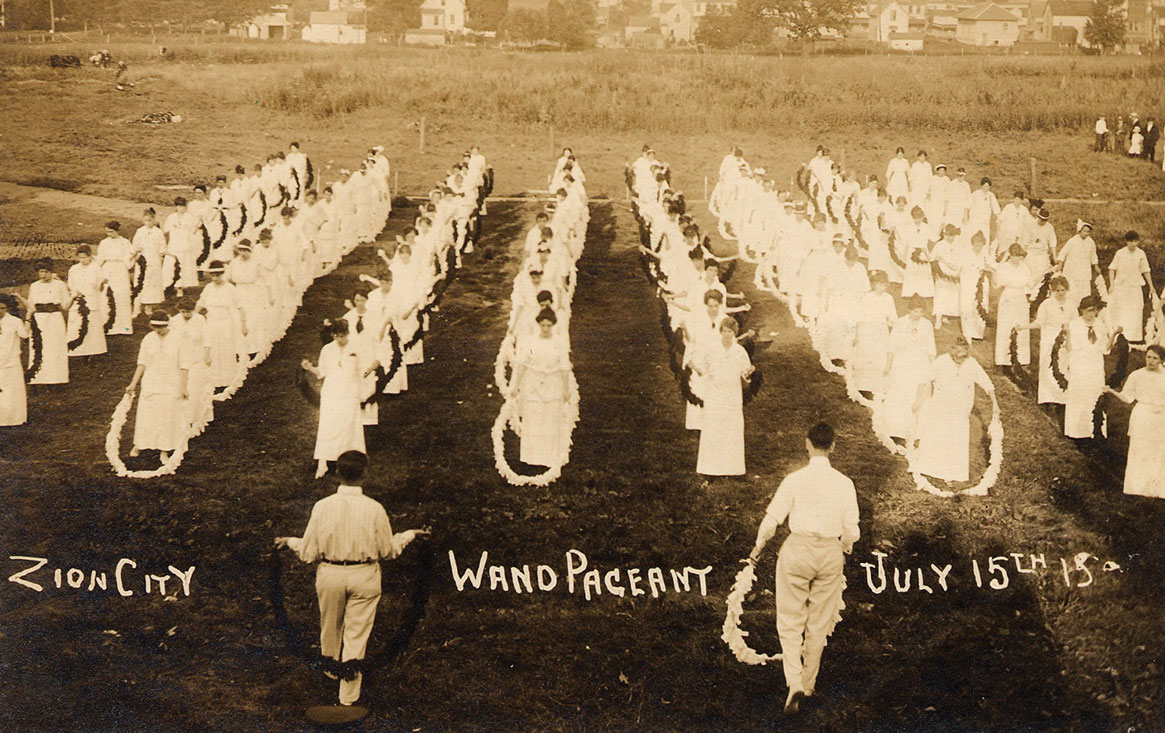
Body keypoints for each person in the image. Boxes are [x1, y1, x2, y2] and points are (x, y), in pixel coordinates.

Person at [274, 451, 430, 706]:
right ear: (365, 473)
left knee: (330, 627)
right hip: (364, 575)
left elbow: (309, 552)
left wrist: (290, 541)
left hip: (330, 574)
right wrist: (409, 535)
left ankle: (330, 673)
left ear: (337, 473)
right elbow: (388, 551)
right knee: (357, 633)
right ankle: (347, 696)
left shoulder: (322, 507)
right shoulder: (374, 509)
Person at [748, 422, 859, 715]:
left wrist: (756, 551)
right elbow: (851, 531)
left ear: (807, 445)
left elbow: (772, 520)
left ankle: (793, 679)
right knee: (820, 622)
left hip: (797, 550)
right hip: (829, 553)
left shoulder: (794, 480)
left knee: (790, 618)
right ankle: (808, 684)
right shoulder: (844, 483)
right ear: (833, 446)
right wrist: (843, 549)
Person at [912, 337, 994, 483]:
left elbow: (986, 382)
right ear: (952, 352)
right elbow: (925, 379)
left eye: (963, 355)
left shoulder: (971, 364)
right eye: (957, 355)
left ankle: (952, 473)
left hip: (961, 410)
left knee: (956, 439)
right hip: (941, 407)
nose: (960, 359)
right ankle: (929, 468)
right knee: (937, 435)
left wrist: (996, 404)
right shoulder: (942, 361)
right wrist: (918, 401)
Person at [302, 320, 371, 479]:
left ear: (348, 333)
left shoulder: (356, 347)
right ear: (333, 335)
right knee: (329, 425)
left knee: (349, 424)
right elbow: (322, 371)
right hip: (332, 392)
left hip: (350, 391)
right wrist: (309, 368)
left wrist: (370, 371)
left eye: (344, 336)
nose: (341, 339)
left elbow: (362, 370)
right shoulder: (327, 349)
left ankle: (353, 459)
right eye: (338, 336)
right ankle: (323, 463)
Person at [692, 317, 754, 477]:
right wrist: (695, 367)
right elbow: (703, 369)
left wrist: (748, 373)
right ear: (720, 331)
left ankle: (732, 469)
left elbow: (745, 375)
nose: (727, 335)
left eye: (730, 332)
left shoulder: (739, 351)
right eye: (724, 331)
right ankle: (710, 469)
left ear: (735, 333)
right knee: (713, 429)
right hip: (715, 394)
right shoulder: (712, 349)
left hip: (732, 395)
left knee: (731, 431)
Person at [510, 308, 571, 468]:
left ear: (553, 326)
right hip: (533, 384)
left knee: (550, 419)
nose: (545, 328)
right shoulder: (531, 341)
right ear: (538, 325)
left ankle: (549, 457)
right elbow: (523, 363)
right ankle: (531, 457)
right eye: (542, 325)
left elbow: (564, 366)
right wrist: (516, 385)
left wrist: (565, 388)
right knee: (534, 419)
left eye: (548, 325)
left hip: (552, 383)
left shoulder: (559, 342)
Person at [124, 312, 188, 464]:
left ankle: (164, 450)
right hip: (151, 382)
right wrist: (133, 383)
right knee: (147, 414)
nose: (159, 330)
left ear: (168, 324)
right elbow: (142, 362)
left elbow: (184, 365)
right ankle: (140, 444)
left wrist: (184, 386)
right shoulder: (148, 339)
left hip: (171, 382)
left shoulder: (179, 338)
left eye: (162, 327)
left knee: (167, 415)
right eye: (155, 327)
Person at [1106, 344, 1165, 498]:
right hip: (1143, 416)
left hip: (1160, 419)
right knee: (1140, 450)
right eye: (1149, 357)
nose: (1151, 361)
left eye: (1155, 358)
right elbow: (1127, 397)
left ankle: (1157, 488)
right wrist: (1112, 391)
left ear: (1162, 361)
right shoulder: (1137, 375)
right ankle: (1137, 487)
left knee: (1158, 452)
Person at [1063, 295, 1118, 441]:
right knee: (1079, 395)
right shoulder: (1075, 325)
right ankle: (1077, 431)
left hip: (1095, 364)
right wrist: (1067, 334)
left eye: (1093, 311)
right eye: (1087, 311)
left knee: (1095, 394)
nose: (1091, 314)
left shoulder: (1099, 324)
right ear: (1081, 310)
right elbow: (1069, 348)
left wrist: (1114, 334)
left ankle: (1095, 429)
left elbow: (1106, 349)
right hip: (1080, 363)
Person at [882, 296, 936, 442]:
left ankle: (916, 433)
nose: (919, 315)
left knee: (917, 396)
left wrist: (933, 370)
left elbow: (931, 349)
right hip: (902, 365)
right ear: (910, 310)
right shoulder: (899, 323)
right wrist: (888, 364)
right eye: (916, 311)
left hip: (920, 365)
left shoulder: (927, 325)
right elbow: (891, 346)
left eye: (921, 312)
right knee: (900, 396)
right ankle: (897, 431)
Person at [1025, 276, 1073, 407]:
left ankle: (1062, 397)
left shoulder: (1071, 304)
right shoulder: (1046, 304)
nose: (1061, 293)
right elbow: (1039, 322)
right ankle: (1047, 398)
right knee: (1048, 367)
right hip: (1049, 338)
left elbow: (1076, 322)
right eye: (1057, 290)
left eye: (1063, 290)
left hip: (1065, 340)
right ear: (1053, 290)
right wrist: (1025, 326)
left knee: (1063, 365)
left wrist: (1069, 330)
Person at [27, 258, 71, 385]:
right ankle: (38, 376)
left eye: (46, 272)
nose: (44, 275)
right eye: (41, 272)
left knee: (56, 348)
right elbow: (31, 306)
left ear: (52, 272)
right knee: (40, 347)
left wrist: (72, 297)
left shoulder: (59, 285)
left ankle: (57, 378)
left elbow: (64, 306)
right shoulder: (34, 286)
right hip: (40, 319)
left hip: (55, 318)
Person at [1107, 231, 1157, 342]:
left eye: (1136, 241)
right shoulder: (1120, 253)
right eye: (1131, 241)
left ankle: (1132, 337)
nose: (1134, 244)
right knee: (1119, 311)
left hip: (1134, 288)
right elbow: (1112, 269)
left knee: (1135, 311)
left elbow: (1146, 270)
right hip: (1121, 288)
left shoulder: (1141, 254)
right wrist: (1111, 284)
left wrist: (1151, 286)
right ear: (1127, 242)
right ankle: (1117, 337)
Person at [66, 245, 108, 357]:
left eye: (84, 257)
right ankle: (75, 347)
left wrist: (101, 284)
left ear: (90, 257)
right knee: (76, 322)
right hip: (78, 298)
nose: (82, 260)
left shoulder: (96, 268)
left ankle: (93, 349)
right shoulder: (74, 269)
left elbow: (100, 285)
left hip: (92, 299)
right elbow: (71, 284)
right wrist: (75, 293)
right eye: (80, 258)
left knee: (92, 324)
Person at [994, 244, 1031, 367]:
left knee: (1021, 325)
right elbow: (997, 284)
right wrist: (992, 271)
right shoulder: (1003, 267)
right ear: (1010, 255)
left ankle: (1022, 357)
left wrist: (1044, 273)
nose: (1016, 259)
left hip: (1020, 298)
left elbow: (1029, 283)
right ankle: (1003, 358)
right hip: (1008, 297)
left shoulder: (1025, 267)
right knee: (1006, 325)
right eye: (1013, 256)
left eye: (1018, 256)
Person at [96, 221, 134, 335]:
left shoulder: (125, 242)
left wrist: (134, 255)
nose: (109, 234)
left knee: (121, 295)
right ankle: (107, 324)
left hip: (120, 270)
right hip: (107, 269)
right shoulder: (103, 243)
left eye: (111, 232)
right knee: (107, 296)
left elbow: (129, 262)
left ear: (117, 231)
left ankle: (124, 327)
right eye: (107, 232)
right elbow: (100, 260)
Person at [0, 294, 31, 426]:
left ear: (7, 308)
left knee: (12, 391)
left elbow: (25, 334)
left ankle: (14, 418)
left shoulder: (14, 321)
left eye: (2, 308)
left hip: (11, 361)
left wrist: (28, 319)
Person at [1056, 221, 1100, 308]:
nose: (1086, 233)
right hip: (1072, 269)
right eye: (1084, 231)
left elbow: (1093, 255)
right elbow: (1063, 253)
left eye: (1088, 231)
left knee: (1084, 290)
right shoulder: (1072, 241)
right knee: (1072, 290)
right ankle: (1070, 308)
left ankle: (1083, 308)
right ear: (1079, 231)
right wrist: (1060, 264)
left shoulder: (1090, 242)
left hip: (1084, 269)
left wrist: (1096, 266)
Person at [132, 208, 166, 316]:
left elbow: (162, 246)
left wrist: (161, 256)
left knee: (151, 284)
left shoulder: (158, 232)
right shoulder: (140, 231)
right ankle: (137, 306)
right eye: (146, 221)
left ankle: (148, 306)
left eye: (150, 220)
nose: (148, 223)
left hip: (153, 261)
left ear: (154, 220)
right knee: (141, 282)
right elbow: (135, 245)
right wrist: (136, 253)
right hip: (142, 260)